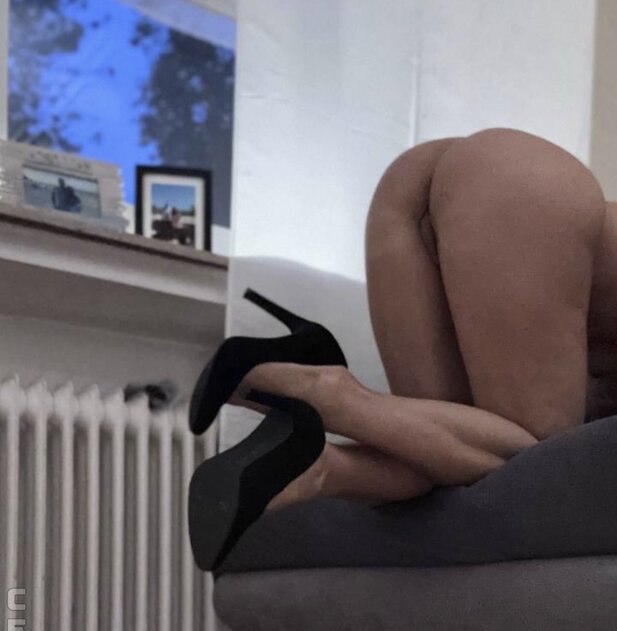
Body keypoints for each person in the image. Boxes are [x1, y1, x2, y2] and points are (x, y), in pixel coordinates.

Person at [188, 127, 617, 571]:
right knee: (540, 462)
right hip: (524, 189)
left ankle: (314, 467)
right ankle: (323, 391)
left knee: (443, 454)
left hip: (417, 183)